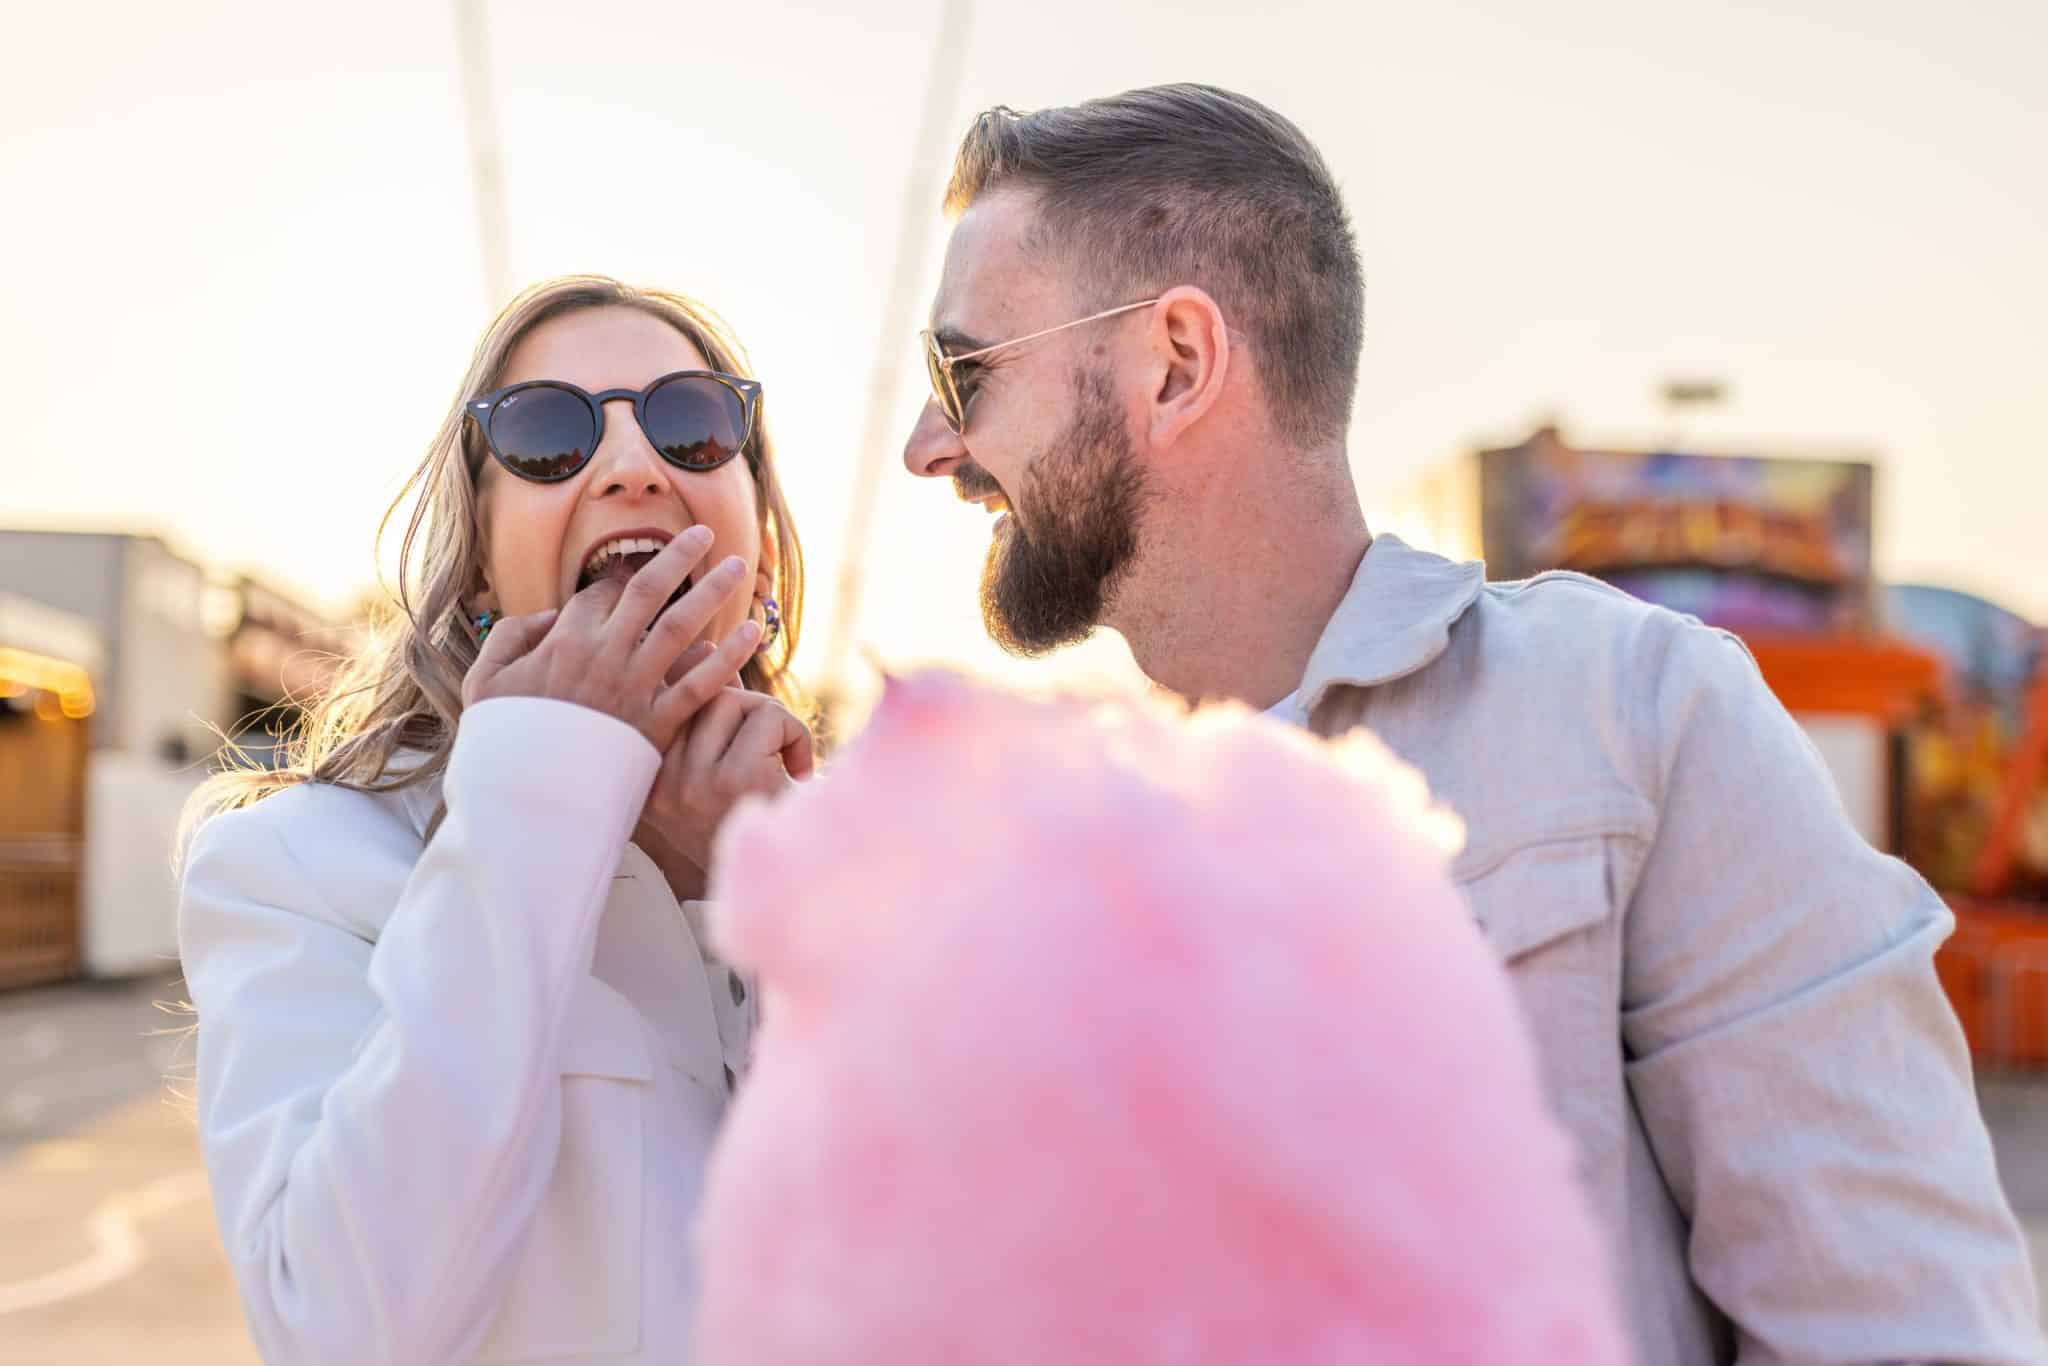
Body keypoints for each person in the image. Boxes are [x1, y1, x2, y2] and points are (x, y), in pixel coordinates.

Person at [901, 85, 2045, 1363]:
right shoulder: (1052, 844)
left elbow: (1899, 1321)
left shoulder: (1630, 717)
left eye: (964, 371)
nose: (924, 444)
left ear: (1174, 364)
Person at [178, 274, 812, 1365]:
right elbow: (344, 1330)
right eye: (547, 435)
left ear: (757, 528)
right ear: (476, 562)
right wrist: (547, 790)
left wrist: (780, 916)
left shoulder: (862, 862)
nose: (631, 466)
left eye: (694, 422)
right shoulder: (291, 863)